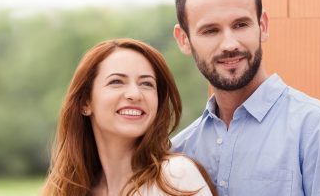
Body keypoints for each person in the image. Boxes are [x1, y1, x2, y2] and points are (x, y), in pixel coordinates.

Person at [170, 0, 320, 196]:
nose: (230, 44)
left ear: (262, 26)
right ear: (184, 39)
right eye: (210, 31)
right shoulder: (180, 151)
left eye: (241, 25)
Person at [42, 38, 216, 196]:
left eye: (146, 84)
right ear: (85, 102)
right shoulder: (67, 190)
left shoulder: (175, 177)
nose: (135, 94)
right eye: (116, 82)